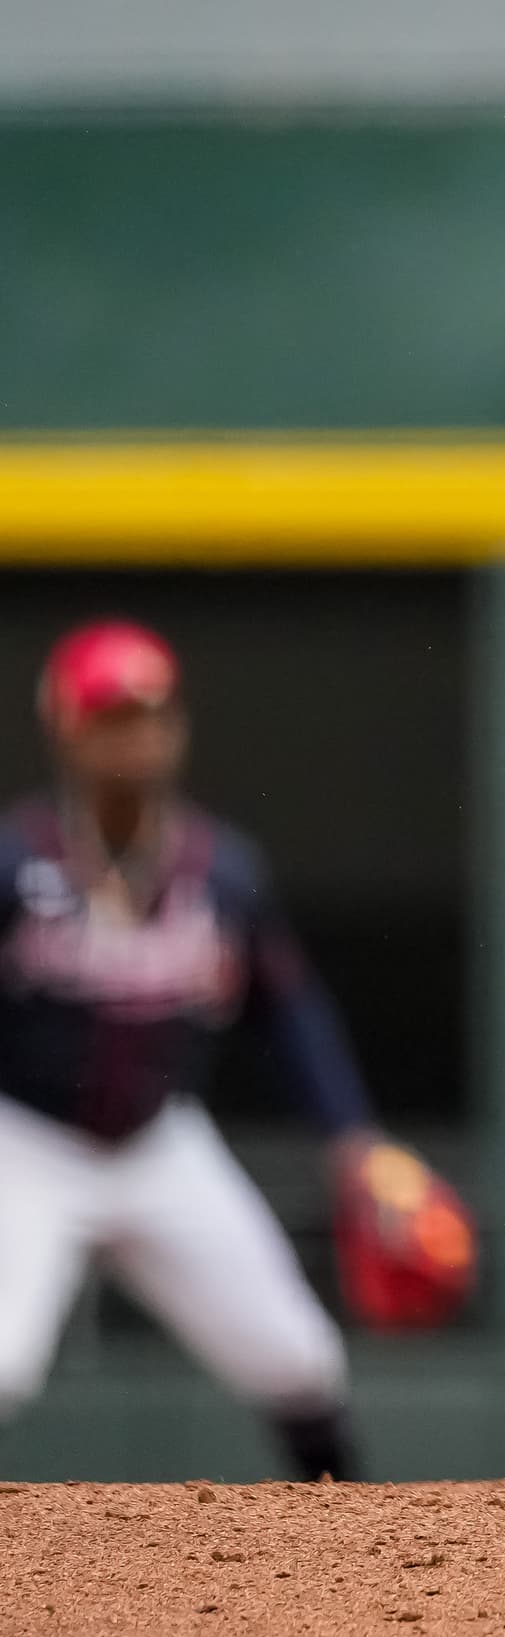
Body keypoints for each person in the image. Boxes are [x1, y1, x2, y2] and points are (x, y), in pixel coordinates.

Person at [0, 624, 464, 1478]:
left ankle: (351, 1568)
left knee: (299, 1362)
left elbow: (289, 1015)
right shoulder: (15, 861)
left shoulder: (221, 869)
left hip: (158, 1145)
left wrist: (354, 1141)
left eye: (150, 714)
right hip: (25, 1144)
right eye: (111, 716)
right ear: (65, 728)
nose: (135, 735)